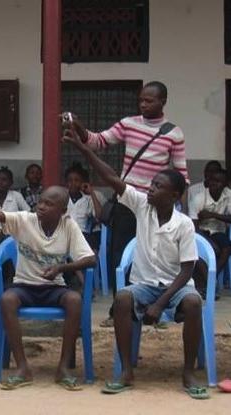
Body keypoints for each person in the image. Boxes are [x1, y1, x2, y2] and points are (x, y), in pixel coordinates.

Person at [64, 130, 207, 399]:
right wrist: (84, 149)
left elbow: (187, 270)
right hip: (144, 285)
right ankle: (126, 371)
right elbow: (112, 178)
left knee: (194, 303)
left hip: (175, 287)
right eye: (151, 184)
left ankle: (189, 373)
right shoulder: (142, 206)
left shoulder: (184, 224)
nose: (150, 189)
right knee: (122, 298)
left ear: (174, 195)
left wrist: (161, 303)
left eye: (158, 186)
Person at [0, 185, 95, 391]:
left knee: (74, 301)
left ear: (63, 211)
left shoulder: (69, 226)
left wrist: (61, 268)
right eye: (41, 201)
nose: (41, 207)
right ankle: (22, 368)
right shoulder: (24, 220)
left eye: (49, 204)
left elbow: (90, 259)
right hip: (24, 286)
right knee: (7, 300)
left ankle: (63, 368)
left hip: (53, 287)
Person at [68, 81, 189, 326]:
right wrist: (78, 125)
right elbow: (97, 141)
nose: (143, 104)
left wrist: (181, 211)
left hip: (156, 207)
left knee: (155, 258)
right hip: (128, 201)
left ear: (163, 102)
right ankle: (118, 311)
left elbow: (182, 175)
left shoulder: (174, 133)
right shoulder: (128, 124)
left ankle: (156, 308)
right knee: (119, 258)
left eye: (149, 100)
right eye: (141, 100)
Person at [189, 169, 231, 297]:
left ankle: (210, 280)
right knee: (202, 252)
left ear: (225, 184)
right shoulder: (199, 198)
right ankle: (210, 284)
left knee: (227, 247)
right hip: (200, 232)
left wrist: (212, 215)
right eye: (212, 180)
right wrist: (209, 243)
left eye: (218, 181)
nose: (213, 183)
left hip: (217, 231)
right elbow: (193, 227)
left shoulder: (228, 195)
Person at [65, 163, 103, 251]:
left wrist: (92, 192)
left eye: (76, 180)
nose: (73, 183)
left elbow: (99, 216)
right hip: (64, 235)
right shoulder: (63, 197)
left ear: (82, 183)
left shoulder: (87, 199)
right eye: (70, 180)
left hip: (82, 236)